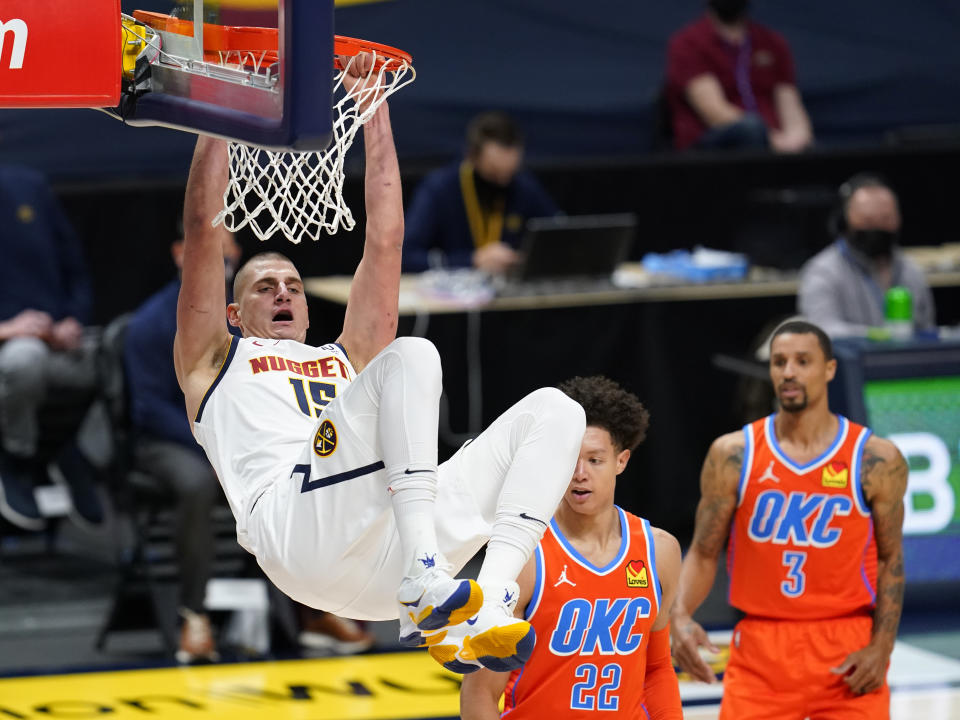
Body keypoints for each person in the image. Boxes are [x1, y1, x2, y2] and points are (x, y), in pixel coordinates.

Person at [175, 54, 586, 673]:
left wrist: (374, 107)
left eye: (292, 284)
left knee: (558, 412)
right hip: (295, 530)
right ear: (234, 314)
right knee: (412, 355)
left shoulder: (346, 359)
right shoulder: (217, 359)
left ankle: (492, 602)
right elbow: (204, 234)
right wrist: (217, 116)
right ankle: (427, 576)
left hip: (382, 560)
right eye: (264, 287)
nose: (284, 291)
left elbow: (387, 242)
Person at [670, 319, 907, 719]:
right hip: (762, 647)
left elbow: (891, 560)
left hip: (846, 645)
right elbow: (705, 552)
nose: (789, 372)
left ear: (829, 369)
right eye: (779, 362)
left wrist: (882, 646)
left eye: (802, 361)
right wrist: (679, 615)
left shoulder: (876, 459)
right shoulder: (733, 454)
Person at [460, 376, 683, 718]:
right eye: (570, 460)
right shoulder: (523, 556)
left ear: (621, 461)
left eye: (595, 460)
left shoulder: (660, 551)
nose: (580, 473)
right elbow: (480, 695)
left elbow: (657, 671)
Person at [124, 230, 242, 663]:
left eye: (228, 248)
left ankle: (312, 609)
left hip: (231, 442)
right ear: (179, 254)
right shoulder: (152, 321)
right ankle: (195, 614)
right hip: (167, 442)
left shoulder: (245, 317)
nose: (222, 257)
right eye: (212, 248)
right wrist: (210, 448)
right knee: (195, 485)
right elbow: (150, 408)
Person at [0, 164, 103, 531]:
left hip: (56, 338)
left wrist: (71, 320)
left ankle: (76, 451)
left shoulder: (28, 185)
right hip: (12, 348)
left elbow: (75, 268)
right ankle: (17, 460)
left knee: (114, 353)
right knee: (24, 360)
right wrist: (7, 330)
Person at [402, 111, 559, 274]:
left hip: (508, 290)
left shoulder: (522, 185)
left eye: (510, 172)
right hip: (452, 291)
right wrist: (471, 260)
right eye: (493, 173)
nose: (502, 181)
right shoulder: (439, 188)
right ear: (472, 156)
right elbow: (406, 256)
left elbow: (558, 233)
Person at [798, 174, 936, 338]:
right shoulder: (822, 271)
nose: (877, 228)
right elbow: (822, 331)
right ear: (845, 221)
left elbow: (927, 331)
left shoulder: (910, 270)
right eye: (868, 221)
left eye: (885, 219)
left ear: (898, 220)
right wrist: (878, 336)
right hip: (847, 362)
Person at [665, 0, 813, 152]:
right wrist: (774, 141)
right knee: (750, 130)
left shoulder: (772, 42)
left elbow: (789, 103)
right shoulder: (688, 43)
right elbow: (714, 111)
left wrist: (798, 137)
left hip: (776, 144)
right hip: (713, 147)